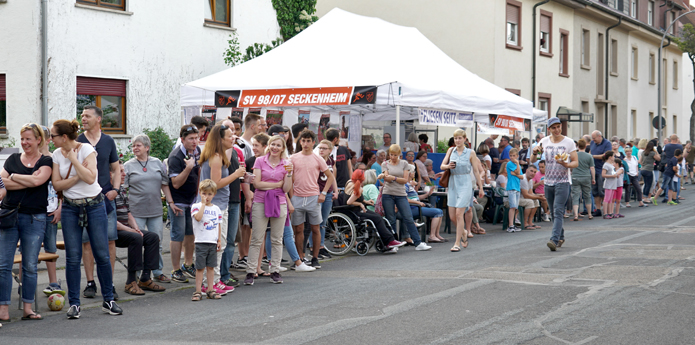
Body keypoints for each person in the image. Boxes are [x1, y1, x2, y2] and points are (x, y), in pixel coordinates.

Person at [50, 119, 122, 318]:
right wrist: (76, 176)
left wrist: (73, 160)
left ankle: (108, 300)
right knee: (73, 258)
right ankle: (74, 304)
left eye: (53, 136)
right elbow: (57, 185)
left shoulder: (87, 149)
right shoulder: (56, 154)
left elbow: (91, 179)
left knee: (101, 254)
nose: (51, 139)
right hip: (71, 208)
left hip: (94, 206)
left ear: (64, 137)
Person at [0, 123, 53, 321]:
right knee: (3, 265)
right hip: (9, 216)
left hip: (34, 218)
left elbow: (39, 182)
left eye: (28, 139)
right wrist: (28, 179)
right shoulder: (13, 158)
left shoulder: (46, 160)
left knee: (30, 265)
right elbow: (2, 183)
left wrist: (13, 177)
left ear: (38, 140)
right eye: (22, 139)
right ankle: (3, 310)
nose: (24, 143)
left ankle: (28, 309)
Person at [77, 105, 121, 300]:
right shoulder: (78, 141)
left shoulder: (108, 141)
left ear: (98, 119)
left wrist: (115, 190)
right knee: (87, 243)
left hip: (105, 199)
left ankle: (108, 284)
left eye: (87, 115)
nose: (83, 118)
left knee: (110, 242)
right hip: (84, 200)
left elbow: (116, 169)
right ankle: (90, 283)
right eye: (82, 115)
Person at [124, 134, 179, 284]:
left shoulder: (156, 163)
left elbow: (164, 184)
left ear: (147, 148)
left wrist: (171, 202)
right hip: (136, 211)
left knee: (157, 242)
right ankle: (136, 274)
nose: (135, 148)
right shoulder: (128, 165)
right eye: (134, 145)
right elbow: (123, 188)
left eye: (138, 145)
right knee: (138, 242)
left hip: (155, 209)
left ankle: (157, 271)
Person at [198, 124, 245, 295]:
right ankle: (209, 283)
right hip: (215, 207)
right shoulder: (216, 157)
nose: (233, 138)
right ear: (220, 139)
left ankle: (214, 281)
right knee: (217, 244)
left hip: (218, 206)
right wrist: (236, 174)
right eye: (229, 136)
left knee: (221, 244)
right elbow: (215, 184)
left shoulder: (218, 155)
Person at [242, 135, 294, 286]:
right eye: (273, 144)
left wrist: (289, 175)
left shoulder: (286, 164)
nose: (275, 148)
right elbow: (257, 184)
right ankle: (251, 271)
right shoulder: (259, 161)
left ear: (283, 148)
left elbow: (286, 188)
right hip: (260, 200)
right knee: (257, 238)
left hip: (279, 201)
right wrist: (277, 184)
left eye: (278, 145)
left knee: (277, 238)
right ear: (268, 146)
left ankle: (275, 271)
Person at [114, 161, 166, 296]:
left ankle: (145, 278)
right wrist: (132, 231)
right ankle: (130, 281)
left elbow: (129, 213)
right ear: (111, 173)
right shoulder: (108, 192)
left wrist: (136, 228)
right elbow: (111, 222)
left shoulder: (121, 190)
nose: (125, 174)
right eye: (121, 171)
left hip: (125, 229)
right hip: (113, 231)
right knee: (136, 238)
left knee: (152, 237)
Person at [531, 117, 578, 252]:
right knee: (552, 212)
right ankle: (561, 236)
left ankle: (554, 239)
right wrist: (535, 152)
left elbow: (575, 162)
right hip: (548, 181)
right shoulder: (544, 141)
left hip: (563, 181)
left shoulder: (568, 142)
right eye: (553, 128)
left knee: (558, 210)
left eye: (558, 127)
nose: (557, 130)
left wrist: (566, 164)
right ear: (549, 129)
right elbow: (534, 159)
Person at [291, 130, 335, 268]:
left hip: (313, 197)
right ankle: (300, 258)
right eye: (303, 141)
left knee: (316, 228)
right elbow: (288, 177)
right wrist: (291, 196)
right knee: (298, 229)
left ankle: (315, 257)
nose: (305, 144)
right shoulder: (293, 158)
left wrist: (323, 193)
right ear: (300, 142)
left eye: (308, 141)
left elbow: (330, 176)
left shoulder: (318, 158)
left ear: (313, 142)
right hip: (297, 196)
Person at [168, 125, 201, 283]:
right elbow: (175, 183)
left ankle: (188, 264)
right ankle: (175, 270)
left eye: (196, 137)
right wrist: (188, 168)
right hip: (178, 201)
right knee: (177, 235)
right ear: (182, 139)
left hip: (192, 200)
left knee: (190, 234)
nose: (195, 141)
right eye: (191, 138)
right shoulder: (175, 157)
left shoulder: (197, 151)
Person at [382, 144, 432, 251]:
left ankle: (418, 243)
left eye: (395, 155)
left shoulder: (404, 164)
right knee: (391, 219)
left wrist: (394, 178)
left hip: (401, 194)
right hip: (387, 193)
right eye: (391, 155)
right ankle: (393, 244)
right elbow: (386, 178)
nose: (393, 157)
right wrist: (393, 178)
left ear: (400, 155)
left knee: (408, 218)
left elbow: (405, 180)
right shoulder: (385, 163)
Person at [441, 129, 483, 252]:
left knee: (460, 214)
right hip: (453, 182)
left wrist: (480, 187)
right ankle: (463, 232)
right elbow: (442, 166)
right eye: (455, 138)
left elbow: (476, 171)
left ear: (465, 139)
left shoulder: (471, 153)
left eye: (460, 138)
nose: (457, 140)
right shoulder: (450, 150)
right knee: (452, 216)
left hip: (465, 182)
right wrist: (448, 166)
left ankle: (457, 243)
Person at [343, 170, 405, 253]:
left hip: (352, 211)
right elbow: (349, 202)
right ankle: (389, 241)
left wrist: (365, 202)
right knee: (377, 218)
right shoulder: (358, 188)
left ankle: (389, 241)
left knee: (378, 217)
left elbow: (351, 198)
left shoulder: (349, 182)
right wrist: (360, 204)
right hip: (356, 212)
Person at [37, 125, 64, 296]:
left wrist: (60, 208)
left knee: (50, 247)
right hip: (32, 211)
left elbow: (61, 186)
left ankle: (53, 282)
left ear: (47, 140)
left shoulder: (55, 159)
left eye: (40, 137)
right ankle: (26, 284)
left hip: (51, 210)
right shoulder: (28, 159)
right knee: (27, 249)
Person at [191, 179, 224, 301]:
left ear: (214, 194)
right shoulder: (196, 206)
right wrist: (203, 205)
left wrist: (219, 240)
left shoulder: (216, 209)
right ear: (200, 193)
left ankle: (211, 289)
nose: (207, 196)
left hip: (212, 242)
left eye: (210, 194)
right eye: (204, 193)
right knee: (200, 267)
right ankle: (198, 290)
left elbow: (219, 224)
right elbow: (198, 218)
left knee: (211, 267)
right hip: (201, 241)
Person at [404, 166, 443, 242]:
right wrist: (418, 202)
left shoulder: (410, 185)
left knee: (440, 211)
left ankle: (436, 234)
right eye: (413, 172)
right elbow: (405, 199)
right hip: (412, 208)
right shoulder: (405, 185)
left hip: (416, 206)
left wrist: (428, 194)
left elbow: (417, 197)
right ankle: (432, 236)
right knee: (437, 212)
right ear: (410, 173)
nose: (414, 173)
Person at [313, 140, 339, 259]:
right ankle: (314, 247)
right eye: (320, 148)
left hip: (328, 192)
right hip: (318, 192)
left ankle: (321, 246)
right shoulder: (315, 159)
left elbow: (332, 176)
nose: (321, 150)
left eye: (324, 148)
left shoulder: (330, 160)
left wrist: (336, 190)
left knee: (323, 222)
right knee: (315, 221)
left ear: (330, 150)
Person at [571, 139, 595, 221]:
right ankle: (589, 214)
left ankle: (575, 215)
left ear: (577, 146)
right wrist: (593, 178)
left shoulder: (574, 155)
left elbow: (571, 166)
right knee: (587, 195)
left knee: (575, 196)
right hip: (586, 176)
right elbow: (592, 168)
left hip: (575, 176)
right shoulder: (589, 156)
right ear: (585, 146)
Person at [590, 130, 612, 217]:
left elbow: (605, 155)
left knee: (602, 190)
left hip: (602, 169)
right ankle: (598, 209)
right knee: (595, 191)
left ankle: (606, 209)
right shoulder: (592, 143)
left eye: (594, 138)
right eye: (592, 138)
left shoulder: (607, 143)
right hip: (594, 169)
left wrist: (593, 156)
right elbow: (590, 153)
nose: (593, 140)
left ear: (599, 136)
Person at [519, 165, 545, 229]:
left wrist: (538, 196)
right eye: (531, 171)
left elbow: (531, 193)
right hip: (517, 198)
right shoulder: (523, 179)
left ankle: (530, 222)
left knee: (536, 201)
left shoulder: (530, 180)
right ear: (526, 170)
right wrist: (538, 197)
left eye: (534, 172)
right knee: (530, 202)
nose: (532, 173)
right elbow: (526, 195)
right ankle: (525, 223)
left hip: (523, 198)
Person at [505, 148, 522, 232]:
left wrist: (515, 173)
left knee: (516, 207)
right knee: (512, 207)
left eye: (514, 156)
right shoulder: (509, 163)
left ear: (517, 156)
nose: (512, 157)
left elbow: (521, 176)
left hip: (517, 187)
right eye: (511, 156)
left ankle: (513, 224)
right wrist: (518, 165)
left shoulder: (516, 165)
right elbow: (518, 172)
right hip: (511, 187)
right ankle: (510, 225)